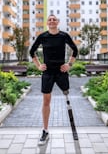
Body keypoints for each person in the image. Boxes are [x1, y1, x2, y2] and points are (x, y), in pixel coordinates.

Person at [29, 14, 78, 145]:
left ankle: (73, 129)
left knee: (67, 96)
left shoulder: (64, 36)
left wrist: (69, 64)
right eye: (50, 19)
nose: (52, 21)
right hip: (48, 72)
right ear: (47, 22)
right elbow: (32, 51)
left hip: (61, 71)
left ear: (58, 22)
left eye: (54, 19)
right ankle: (45, 131)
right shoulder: (43, 36)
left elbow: (75, 50)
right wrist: (39, 65)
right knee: (46, 100)